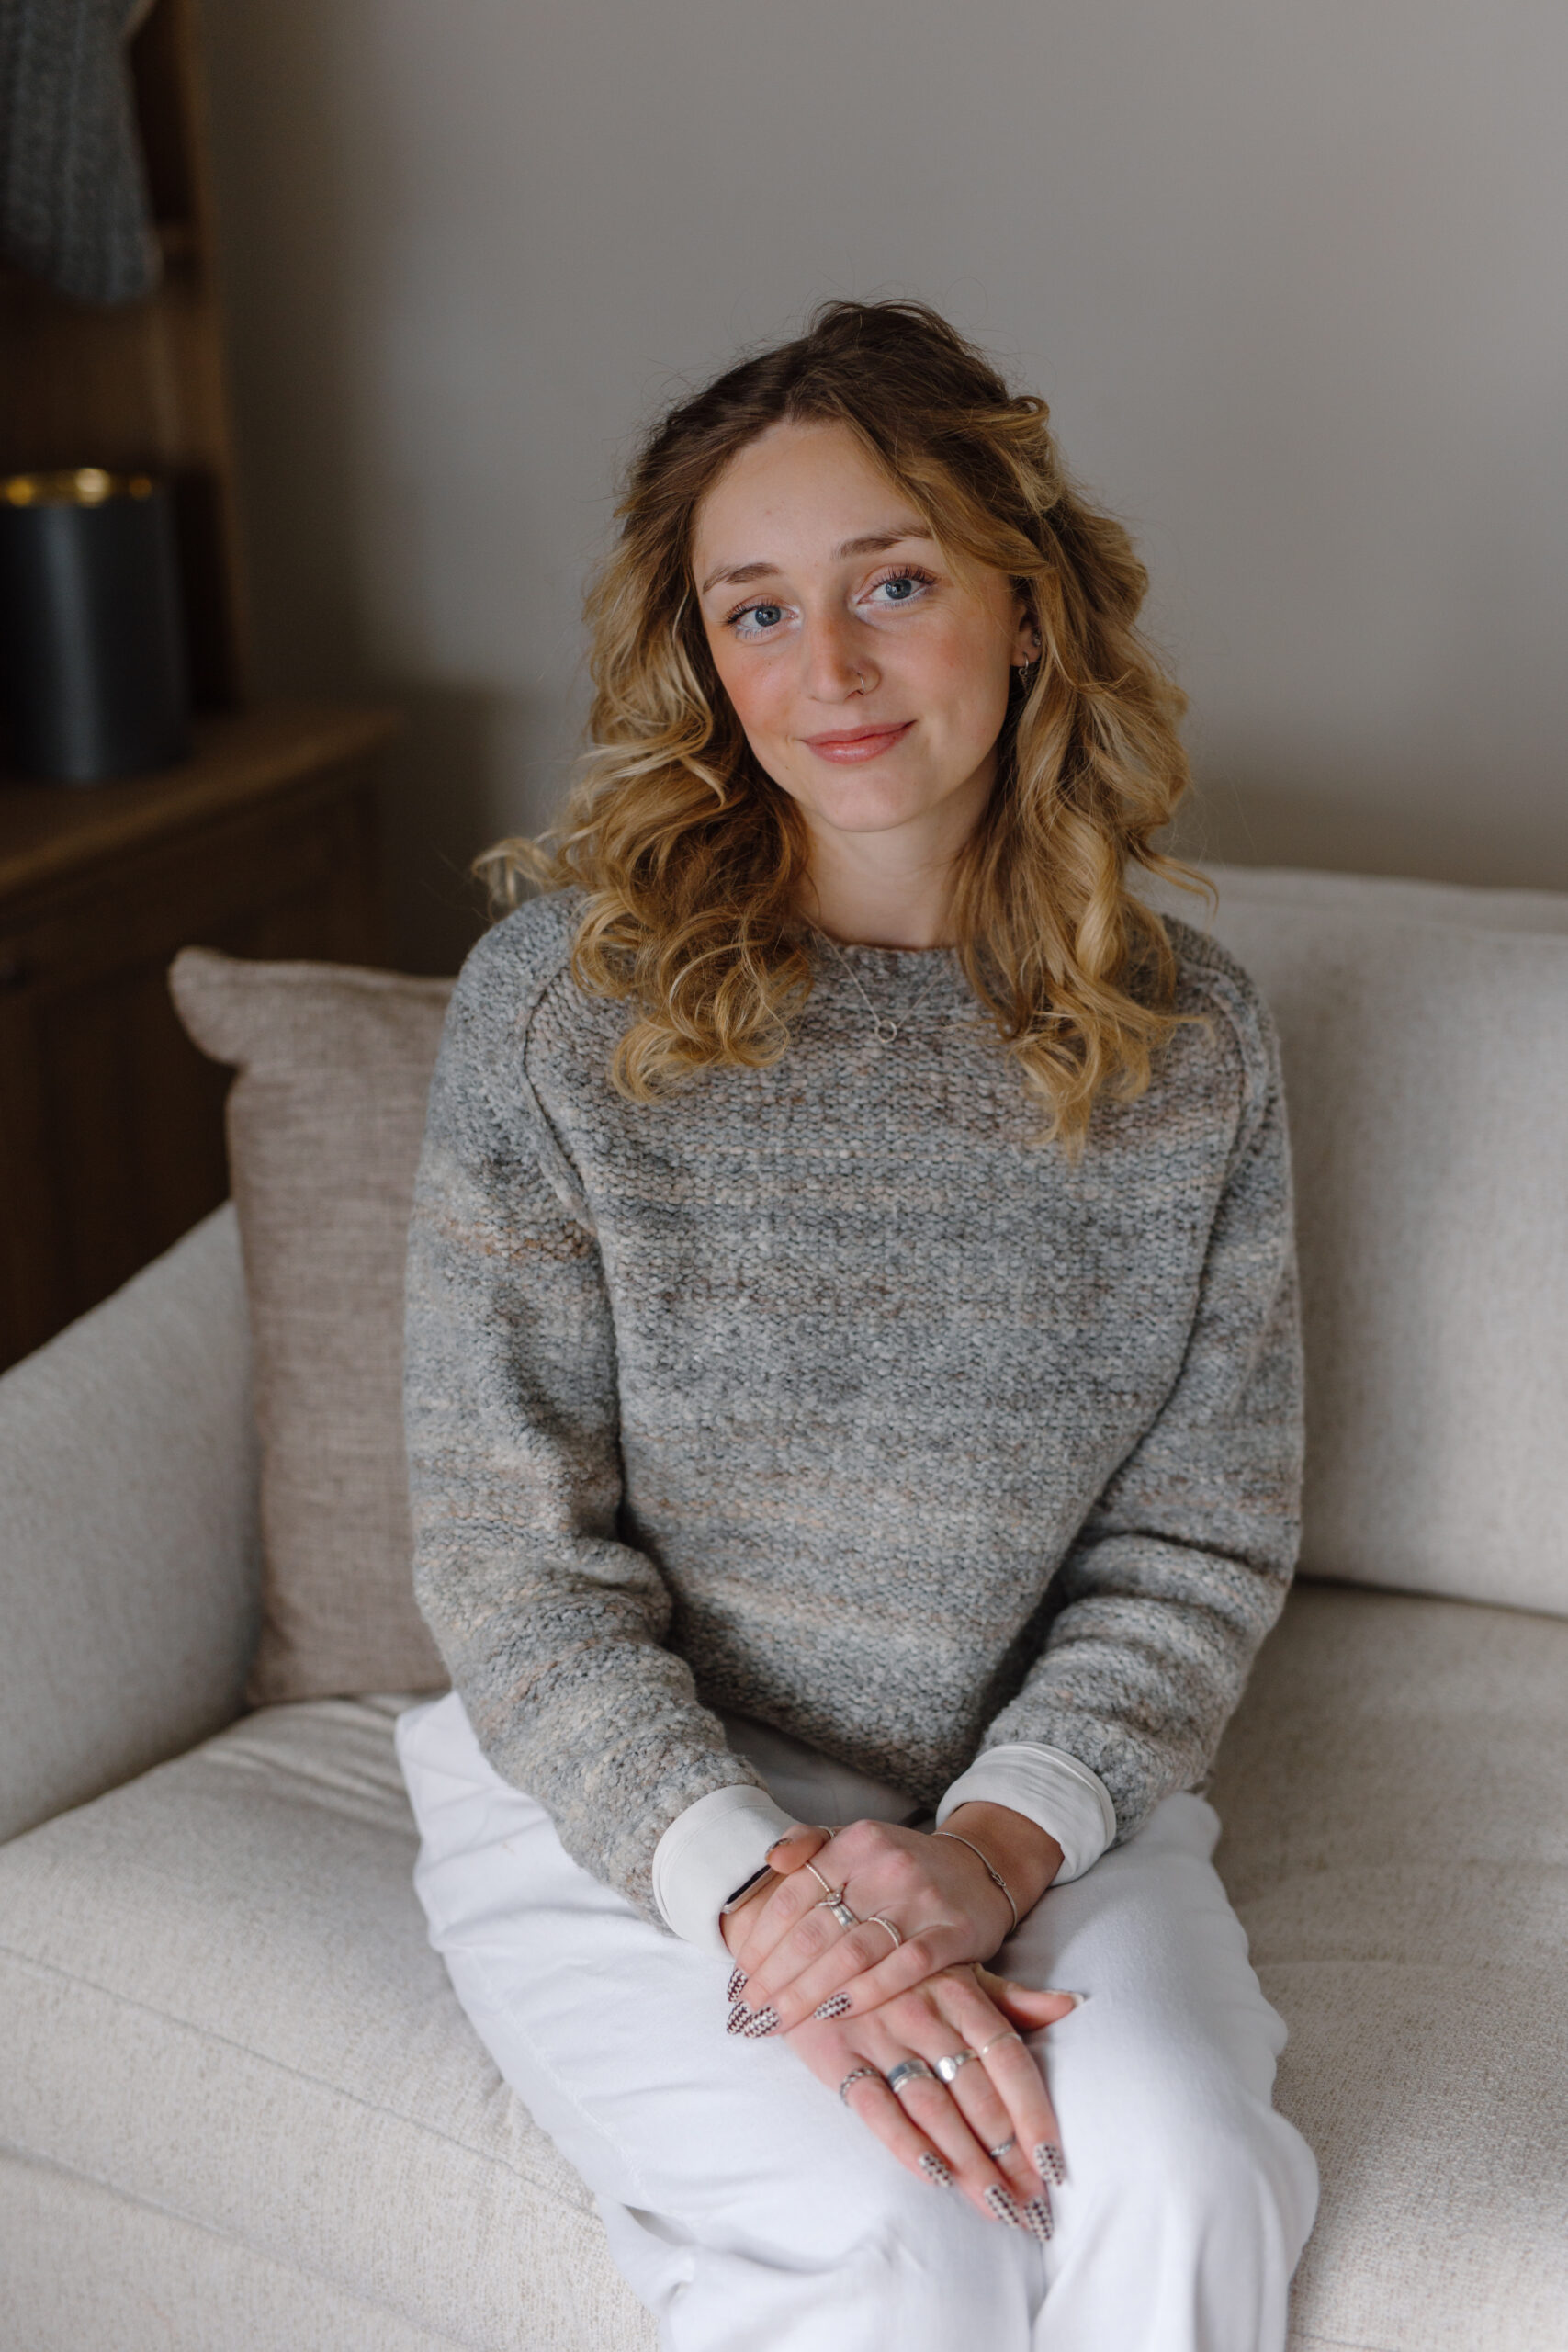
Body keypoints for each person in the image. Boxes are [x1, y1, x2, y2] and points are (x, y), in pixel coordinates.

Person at [395, 299, 1318, 2351]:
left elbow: (1192, 1540)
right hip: (636, 1801)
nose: (826, 667)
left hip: (1022, 1787)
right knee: (897, 2235)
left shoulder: (1190, 1046)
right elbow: (508, 1555)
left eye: (890, 583)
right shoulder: (557, 1014)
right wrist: (765, 1894)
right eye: (756, 610)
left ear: (1024, 607)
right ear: (701, 661)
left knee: (1180, 2162)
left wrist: (985, 1852)